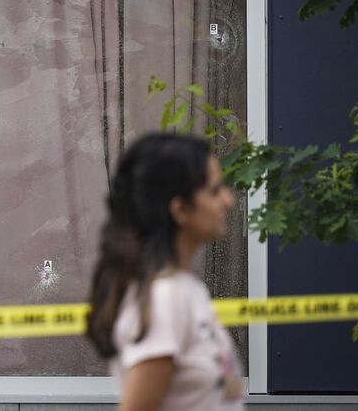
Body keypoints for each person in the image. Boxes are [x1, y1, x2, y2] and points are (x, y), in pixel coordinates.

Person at [86, 133, 243, 411]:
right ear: (180, 209)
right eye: (214, 190)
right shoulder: (164, 299)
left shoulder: (187, 289)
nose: (228, 200)